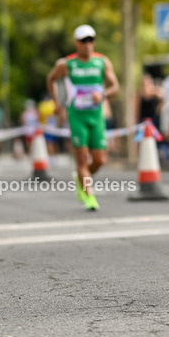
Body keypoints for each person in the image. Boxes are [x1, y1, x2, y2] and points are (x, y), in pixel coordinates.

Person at [47, 24, 120, 211]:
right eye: (83, 41)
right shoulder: (67, 64)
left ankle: (80, 179)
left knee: (100, 160)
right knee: (81, 159)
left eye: (90, 40)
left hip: (96, 116)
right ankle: (90, 197)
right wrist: (57, 102)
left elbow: (115, 87)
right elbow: (50, 79)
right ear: (76, 43)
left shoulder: (102, 62)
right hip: (76, 116)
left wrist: (102, 95)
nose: (87, 44)